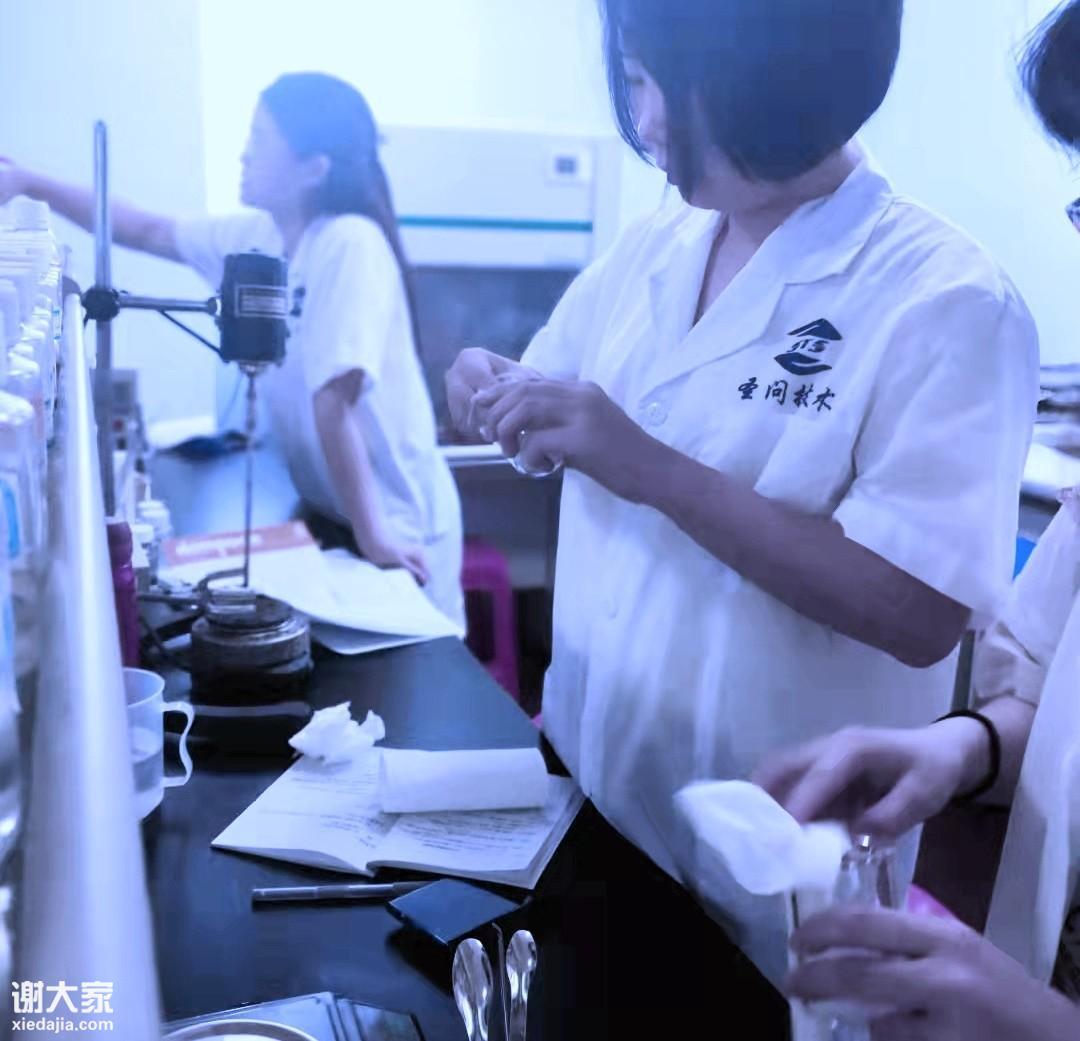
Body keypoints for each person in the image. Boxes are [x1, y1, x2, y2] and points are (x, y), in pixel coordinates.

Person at [444, 0, 1039, 980]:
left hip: (770, 874)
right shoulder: (656, 246)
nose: (646, 121)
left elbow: (919, 611)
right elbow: (543, 389)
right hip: (593, 801)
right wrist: (481, 384)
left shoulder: (948, 299)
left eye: (668, 87)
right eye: (632, 80)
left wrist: (651, 467)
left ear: (782, 84)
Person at [754, 6, 1080, 1032]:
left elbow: (909, 603)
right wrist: (960, 750)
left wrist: (1038, 1023)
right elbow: (1044, 698)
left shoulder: (956, 300)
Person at [1, 73, 464, 626]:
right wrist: (29, 182)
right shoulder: (259, 238)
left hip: (393, 522)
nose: (244, 155)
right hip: (335, 515)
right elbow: (148, 230)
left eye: (261, 139)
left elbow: (333, 399)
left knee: (409, 662)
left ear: (313, 169)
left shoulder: (350, 241)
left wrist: (376, 537)